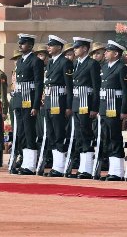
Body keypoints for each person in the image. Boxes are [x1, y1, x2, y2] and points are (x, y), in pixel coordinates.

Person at [97, 40, 127, 181]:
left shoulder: (122, 68)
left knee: (115, 138)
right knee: (107, 138)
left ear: (116, 53)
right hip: (105, 108)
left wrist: (123, 110)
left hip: (115, 108)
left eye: (108, 51)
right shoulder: (105, 67)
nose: (105, 53)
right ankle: (112, 170)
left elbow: (126, 91)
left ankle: (118, 171)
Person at [42, 35, 74, 177]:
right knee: (51, 133)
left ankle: (60, 166)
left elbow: (69, 86)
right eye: (48, 45)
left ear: (59, 47)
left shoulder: (65, 63)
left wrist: (68, 106)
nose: (48, 47)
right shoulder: (50, 63)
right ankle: (56, 165)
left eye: (52, 45)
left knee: (59, 133)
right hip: (49, 101)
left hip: (59, 102)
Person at [69, 37, 101, 179]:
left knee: (86, 134)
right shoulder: (75, 64)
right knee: (79, 135)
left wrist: (94, 107)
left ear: (85, 49)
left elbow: (96, 87)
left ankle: (87, 168)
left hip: (86, 103)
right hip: (77, 103)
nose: (75, 50)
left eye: (77, 47)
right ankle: (82, 167)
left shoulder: (92, 64)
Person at [15, 34, 44, 175]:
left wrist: (35, 105)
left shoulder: (35, 61)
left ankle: (31, 165)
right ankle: (25, 163)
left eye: (23, 43)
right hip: (20, 101)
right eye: (20, 43)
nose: (20, 45)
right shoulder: (20, 61)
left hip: (29, 100)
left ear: (31, 46)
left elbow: (39, 84)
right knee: (21, 133)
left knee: (29, 131)